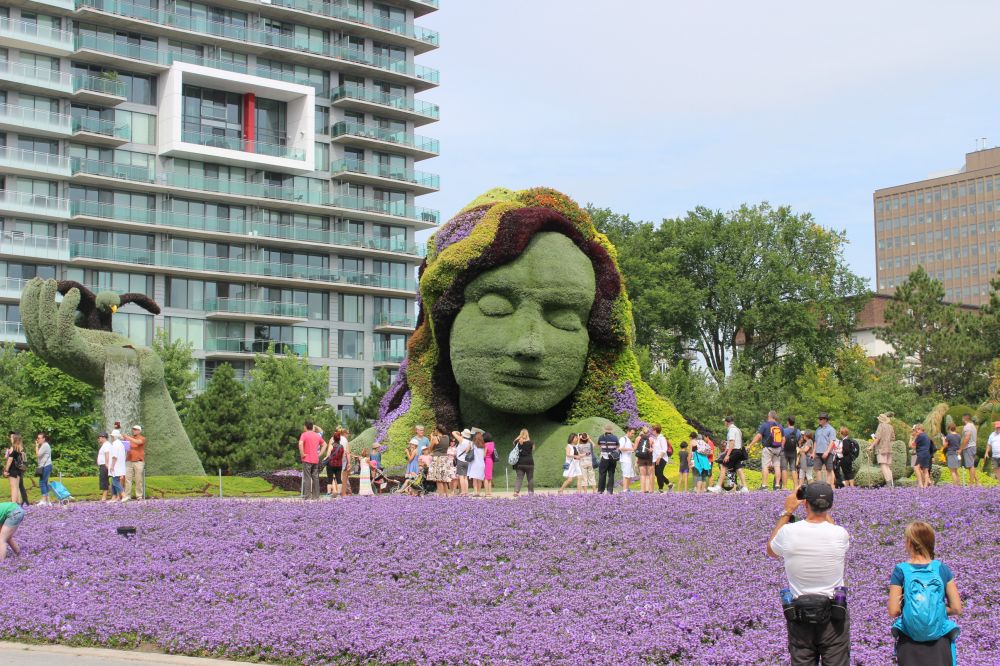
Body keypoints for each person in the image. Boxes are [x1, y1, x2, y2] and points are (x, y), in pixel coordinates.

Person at [767, 483, 851, 666]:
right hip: (834, 615)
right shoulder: (840, 534)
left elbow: (771, 550)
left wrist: (787, 511)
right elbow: (829, 525)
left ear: (805, 504)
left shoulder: (788, 532)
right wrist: (822, 508)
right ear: (830, 506)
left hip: (800, 614)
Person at [888, 521, 962, 665]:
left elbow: (893, 611)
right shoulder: (942, 568)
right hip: (939, 643)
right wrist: (936, 609)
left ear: (910, 543)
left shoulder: (901, 570)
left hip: (909, 643)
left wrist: (911, 608)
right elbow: (957, 608)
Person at [710, 416, 748, 493]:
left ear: (727, 422)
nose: (724, 423)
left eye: (725, 422)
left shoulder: (731, 430)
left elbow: (732, 442)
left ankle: (718, 487)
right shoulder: (737, 429)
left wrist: (727, 455)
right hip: (739, 451)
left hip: (733, 451)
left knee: (724, 467)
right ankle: (745, 487)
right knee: (738, 468)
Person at [750, 410, 784, 491]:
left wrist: (750, 445)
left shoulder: (765, 425)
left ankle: (764, 486)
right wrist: (781, 448)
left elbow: (758, 436)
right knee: (777, 466)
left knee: (765, 466)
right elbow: (783, 438)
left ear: (769, 416)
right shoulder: (780, 426)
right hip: (778, 449)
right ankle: (777, 486)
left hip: (768, 449)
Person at [298, 420, 324, 500]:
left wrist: (302, 454)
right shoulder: (317, 435)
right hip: (315, 459)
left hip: (307, 459)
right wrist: (320, 454)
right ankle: (316, 496)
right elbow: (324, 444)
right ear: (312, 427)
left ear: (305, 426)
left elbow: (300, 443)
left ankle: (307, 496)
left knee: (307, 478)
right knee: (315, 478)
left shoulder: (304, 434)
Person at [426, 427, 453, 495]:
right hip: (445, 458)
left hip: (437, 459)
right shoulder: (447, 437)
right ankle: (447, 494)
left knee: (438, 479)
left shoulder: (435, 438)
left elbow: (430, 449)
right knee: (444, 479)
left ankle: (441, 495)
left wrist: (431, 438)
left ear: (437, 430)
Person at [122, 425, 146, 502]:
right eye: (133, 429)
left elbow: (138, 442)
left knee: (138, 479)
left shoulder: (142, 438)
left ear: (139, 431)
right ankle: (127, 496)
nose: (134, 431)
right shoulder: (130, 439)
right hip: (129, 461)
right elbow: (125, 445)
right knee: (128, 479)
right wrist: (123, 438)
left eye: (135, 429)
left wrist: (127, 437)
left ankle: (139, 496)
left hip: (138, 461)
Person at [871, 413, 896, 488]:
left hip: (881, 448)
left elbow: (877, 438)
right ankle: (891, 484)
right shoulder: (890, 427)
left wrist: (871, 446)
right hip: (889, 449)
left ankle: (888, 484)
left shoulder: (881, 426)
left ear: (880, 420)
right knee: (887, 466)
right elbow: (893, 438)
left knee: (883, 465)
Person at [3, 435, 28, 507]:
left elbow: (10, 460)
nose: (10, 439)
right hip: (18, 470)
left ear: (14, 439)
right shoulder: (20, 448)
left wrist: (6, 470)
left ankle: (13, 505)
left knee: (13, 488)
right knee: (17, 488)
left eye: (11, 438)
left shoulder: (13, 448)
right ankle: (19, 504)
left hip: (12, 470)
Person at [596, 424, 619, 494]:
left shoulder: (601, 437)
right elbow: (617, 446)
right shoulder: (615, 437)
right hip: (612, 458)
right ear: (612, 430)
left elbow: (599, 445)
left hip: (604, 457)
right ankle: (609, 490)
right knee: (611, 474)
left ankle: (600, 490)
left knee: (602, 474)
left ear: (604, 430)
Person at [512, 429, 535, 496]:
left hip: (520, 463)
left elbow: (513, 442)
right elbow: (533, 449)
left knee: (519, 478)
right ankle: (530, 493)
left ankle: (516, 492)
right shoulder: (531, 442)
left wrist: (520, 437)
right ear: (527, 434)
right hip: (529, 463)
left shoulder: (517, 442)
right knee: (530, 478)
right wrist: (527, 439)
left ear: (520, 434)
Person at [909, 424, 933, 489]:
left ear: (919, 429)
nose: (915, 431)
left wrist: (913, 437)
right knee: (925, 470)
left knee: (916, 468)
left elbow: (912, 446)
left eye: (916, 430)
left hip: (920, 453)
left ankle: (920, 484)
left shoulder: (920, 436)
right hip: (927, 454)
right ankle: (925, 486)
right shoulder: (926, 436)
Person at [451, 428, 473, 497]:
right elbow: (467, 451)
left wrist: (457, 432)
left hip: (460, 460)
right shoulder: (470, 442)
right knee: (465, 477)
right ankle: (466, 492)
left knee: (461, 477)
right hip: (467, 461)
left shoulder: (461, 440)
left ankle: (463, 492)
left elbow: (453, 432)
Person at [651, 424, 673, 492]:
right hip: (656, 458)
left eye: (653, 430)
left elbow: (664, 449)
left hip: (662, 458)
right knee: (657, 473)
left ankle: (660, 488)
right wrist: (651, 449)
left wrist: (659, 457)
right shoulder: (655, 439)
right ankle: (669, 483)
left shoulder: (662, 438)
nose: (652, 431)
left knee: (659, 473)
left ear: (655, 431)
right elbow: (656, 449)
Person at [781, 417, 801, 490]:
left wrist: (781, 448)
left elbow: (783, 441)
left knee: (784, 469)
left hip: (785, 451)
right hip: (793, 452)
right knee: (793, 469)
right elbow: (799, 443)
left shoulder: (784, 430)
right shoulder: (798, 431)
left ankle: (785, 487)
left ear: (788, 422)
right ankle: (796, 486)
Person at [959, 413, 978, 487]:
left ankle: (971, 484)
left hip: (968, 447)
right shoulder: (973, 426)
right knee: (971, 465)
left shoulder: (967, 427)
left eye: (962, 418)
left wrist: (961, 448)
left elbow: (967, 437)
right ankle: (977, 482)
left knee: (970, 466)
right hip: (973, 446)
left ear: (964, 418)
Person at [34, 432, 52, 506]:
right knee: (45, 482)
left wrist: (36, 446)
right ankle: (48, 500)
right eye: (37, 438)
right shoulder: (44, 445)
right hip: (46, 466)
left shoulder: (45, 445)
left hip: (46, 466)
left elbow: (37, 455)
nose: (37, 440)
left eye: (39, 438)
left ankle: (44, 500)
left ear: (43, 439)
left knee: (42, 483)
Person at [109, 430, 127, 501]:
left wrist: (112, 466)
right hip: (120, 465)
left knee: (115, 481)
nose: (111, 437)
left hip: (116, 466)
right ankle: (114, 497)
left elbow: (114, 456)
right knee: (113, 481)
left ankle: (123, 495)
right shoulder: (120, 444)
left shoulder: (115, 444)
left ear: (114, 436)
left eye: (112, 436)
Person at [619, 427, 638, 492]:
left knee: (629, 475)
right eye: (632, 433)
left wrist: (633, 449)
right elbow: (620, 448)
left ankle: (626, 488)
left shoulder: (628, 440)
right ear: (628, 432)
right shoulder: (623, 439)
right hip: (624, 459)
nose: (633, 435)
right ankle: (624, 490)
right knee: (626, 475)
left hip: (628, 460)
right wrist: (631, 449)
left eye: (633, 433)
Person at [326, 432, 345, 496]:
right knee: (339, 479)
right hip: (339, 465)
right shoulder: (342, 447)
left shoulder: (331, 446)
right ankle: (339, 493)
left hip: (331, 464)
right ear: (339, 439)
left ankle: (329, 493)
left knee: (330, 479)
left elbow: (328, 456)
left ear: (333, 439)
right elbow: (343, 457)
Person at [96, 432, 111, 502]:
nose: (98, 439)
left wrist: (107, 464)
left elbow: (107, 454)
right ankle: (114, 494)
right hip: (103, 465)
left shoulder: (106, 445)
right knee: (105, 481)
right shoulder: (104, 445)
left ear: (103, 438)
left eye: (99, 438)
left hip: (104, 465)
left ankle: (104, 497)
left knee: (104, 481)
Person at [339, 428, 353, 498]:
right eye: (347, 434)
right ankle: (344, 492)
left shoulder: (336, 438)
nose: (348, 435)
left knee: (337, 475)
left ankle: (337, 491)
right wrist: (349, 463)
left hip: (335, 459)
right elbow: (348, 452)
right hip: (343, 459)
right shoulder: (345, 440)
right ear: (344, 433)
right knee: (344, 476)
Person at [483, 432, 496, 497]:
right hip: (491, 460)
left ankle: (486, 493)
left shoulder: (486, 444)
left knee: (486, 478)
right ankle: (490, 492)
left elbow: (484, 455)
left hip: (486, 461)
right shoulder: (492, 444)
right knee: (489, 478)